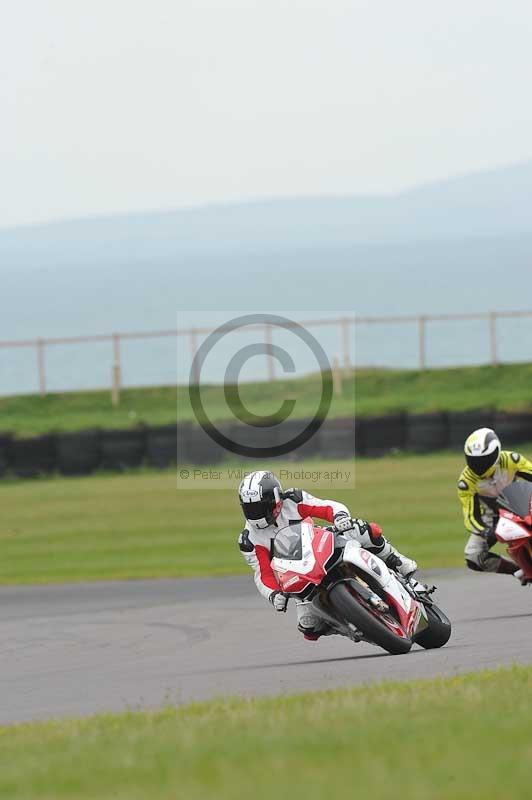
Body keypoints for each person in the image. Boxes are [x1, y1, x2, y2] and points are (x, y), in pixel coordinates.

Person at [237, 470, 418, 640]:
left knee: (364, 530)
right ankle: (350, 624)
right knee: (309, 627)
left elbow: (326, 507)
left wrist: (340, 517)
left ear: (276, 499)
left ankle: (398, 562)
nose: (257, 514)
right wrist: (274, 594)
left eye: (261, 507)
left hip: (320, 544)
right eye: (251, 509)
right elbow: (263, 573)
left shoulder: (293, 500)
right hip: (298, 575)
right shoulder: (249, 539)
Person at [459, 427, 532, 583]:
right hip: (493, 518)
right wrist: (485, 532)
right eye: (474, 460)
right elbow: (470, 516)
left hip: (522, 505)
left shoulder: (511, 460)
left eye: (484, 459)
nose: (478, 465)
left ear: (496, 454)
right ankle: (519, 571)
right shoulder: (466, 481)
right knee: (473, 555)